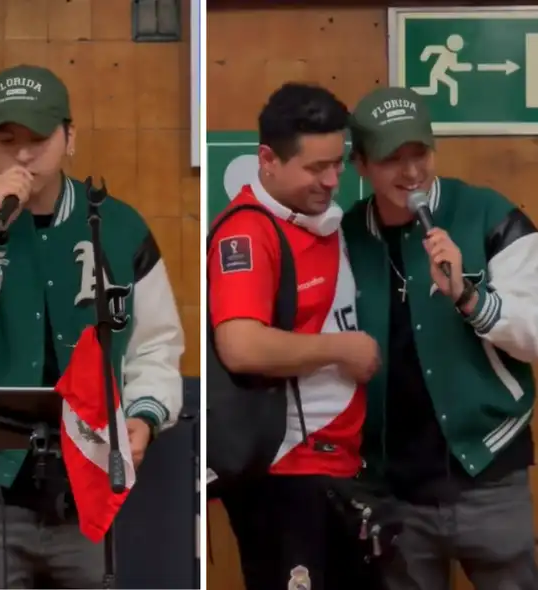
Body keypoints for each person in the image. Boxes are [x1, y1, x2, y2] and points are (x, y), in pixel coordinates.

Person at [0, 64, 184, 589]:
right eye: (8, 140)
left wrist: (146, 415)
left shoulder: (120, 226)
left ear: (70, 137)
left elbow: (156, 344)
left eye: (40, 138)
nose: (24, 155)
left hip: (90, 476)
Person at [343, 86, 538, 590]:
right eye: (392, 159)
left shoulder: (490, 214)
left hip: (489, 471)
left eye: (419, 154)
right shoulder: (343, 237)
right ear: (361, 165)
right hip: (392, 486)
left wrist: (470, 297)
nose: (411, 173)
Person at [207, 82, 381, 590]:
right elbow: (240, 345)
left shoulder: (323, 224)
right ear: (267, 159)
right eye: (314, 168)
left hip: (340, 470)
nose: (331, 179)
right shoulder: (249, 231)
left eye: (338, 163)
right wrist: (343, 350)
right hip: (286, 475)